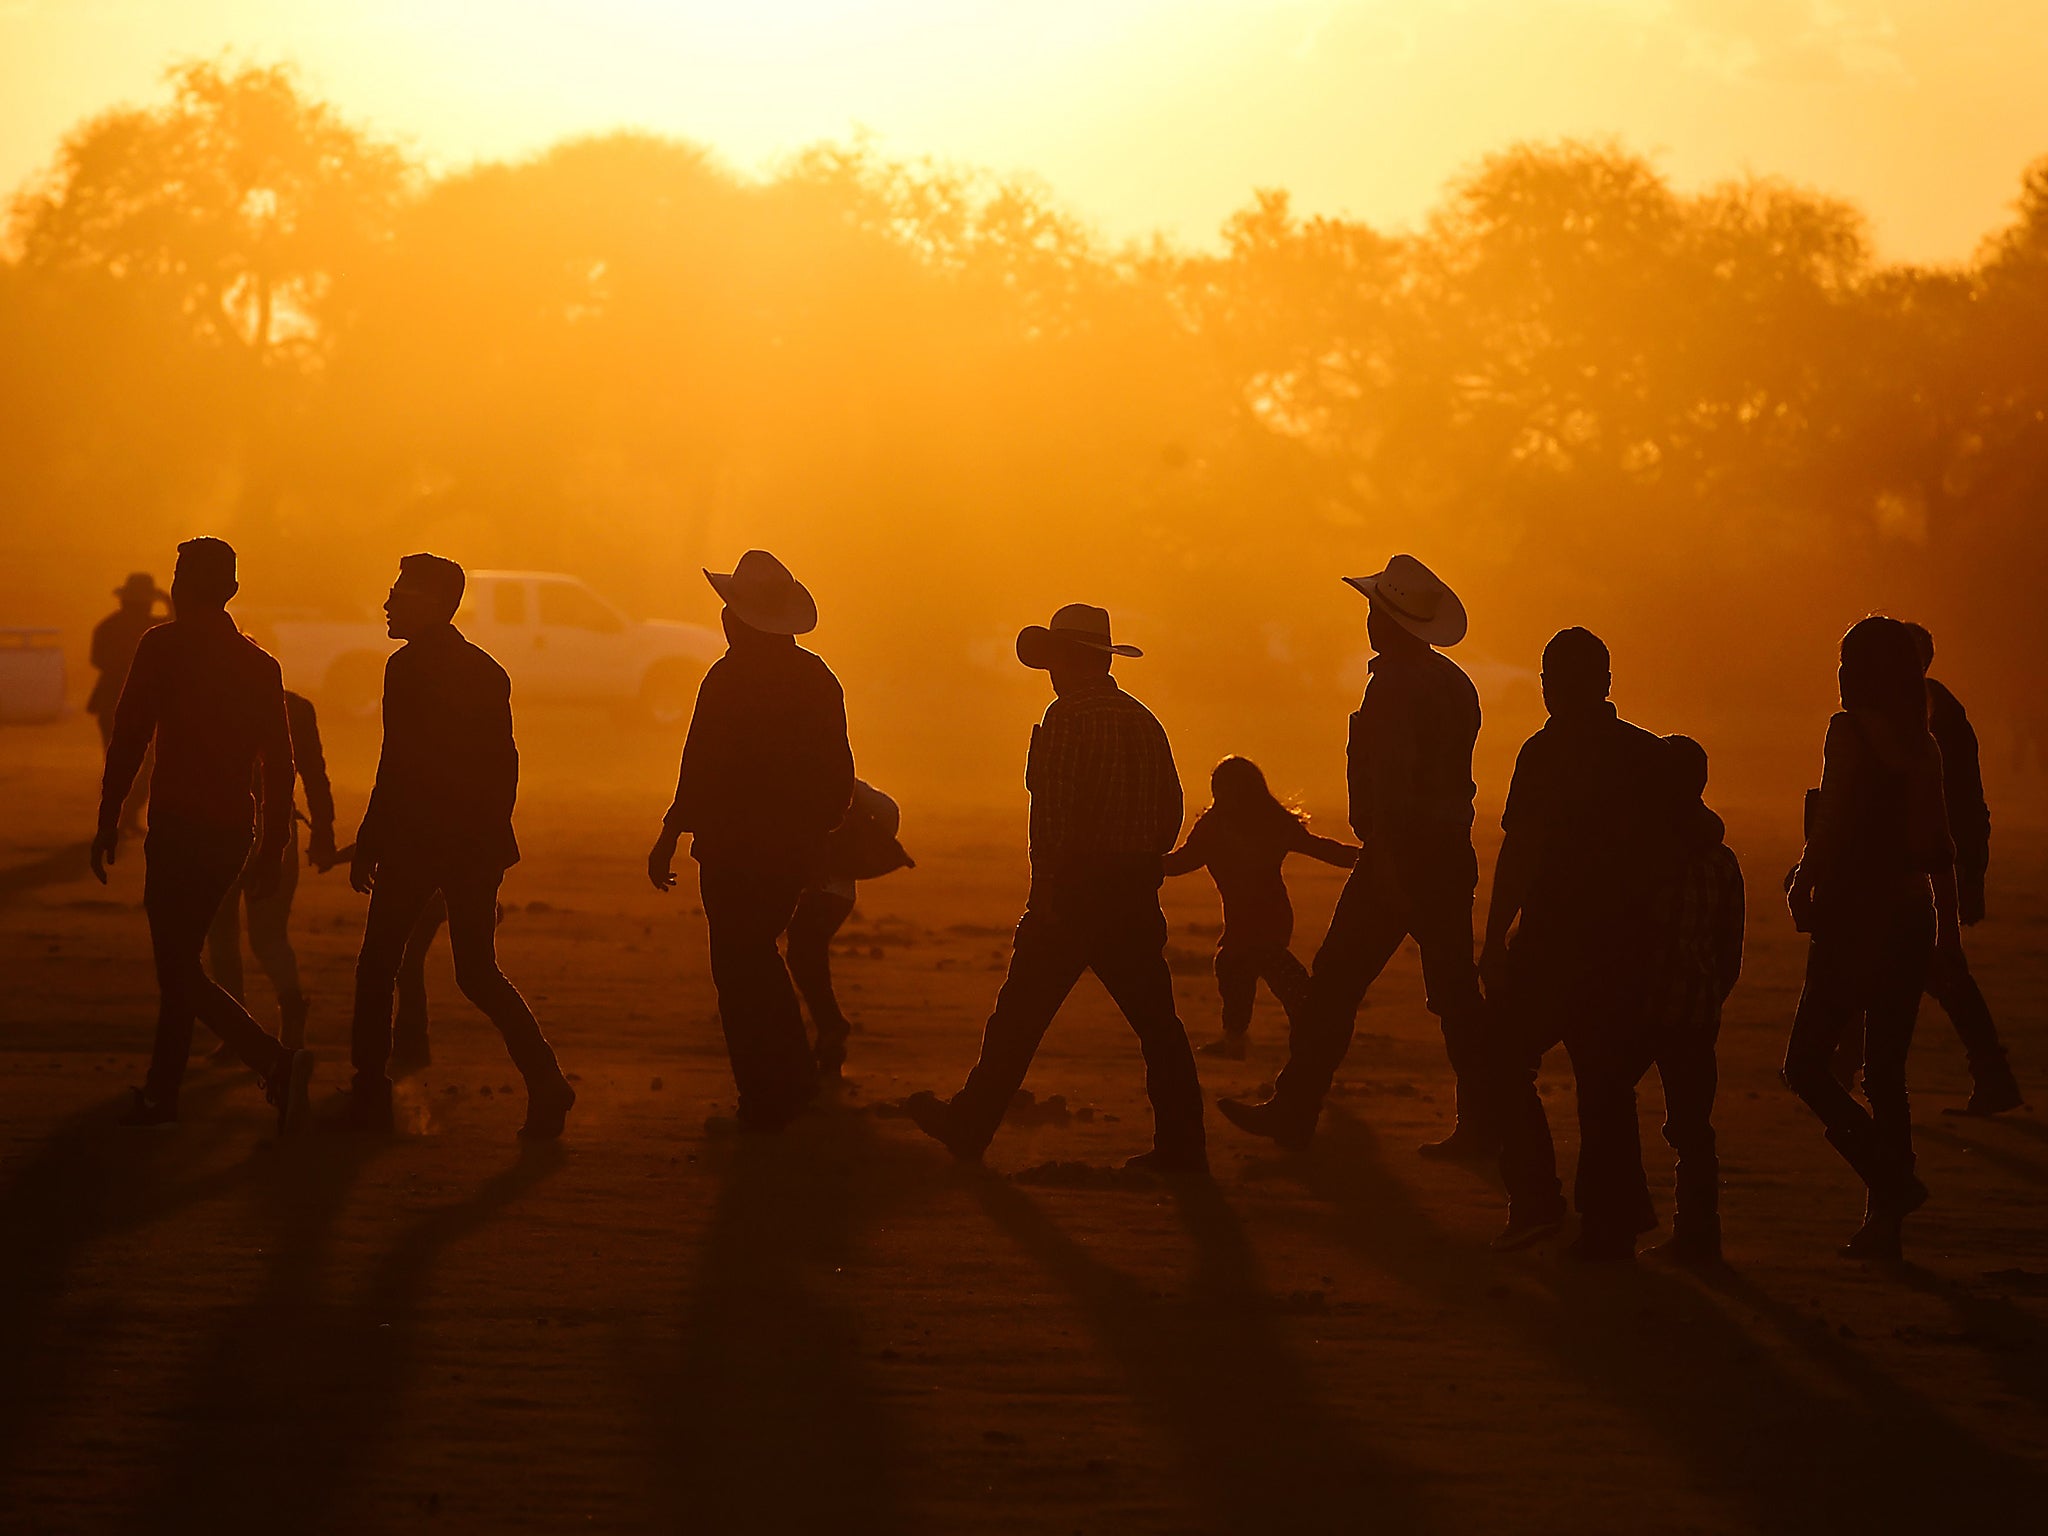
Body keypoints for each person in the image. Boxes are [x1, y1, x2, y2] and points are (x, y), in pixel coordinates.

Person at [903, 604, 1205, 1174]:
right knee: (1158, 1025)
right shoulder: (1144, 720)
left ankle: (971, 1124)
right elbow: (1171, 812)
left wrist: (1045, 895)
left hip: (1075, 888)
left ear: (1065, 659)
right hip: (1135, 889)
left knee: (1018, 1017)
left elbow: (1053, 818)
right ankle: (1184, 1145)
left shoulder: (1067, 718)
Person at [1218, 555, 1493, 1157]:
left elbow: (1393, 786)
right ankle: (1484, 1124)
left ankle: (1294, 1109)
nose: (1368, 621)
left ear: (1391, 621)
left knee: (1335, 984)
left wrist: (1387, 868)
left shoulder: (1392, 684)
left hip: (1399, 855)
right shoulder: (1454, 682)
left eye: (1374, 611)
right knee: (1455, 996)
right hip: (1447, 854)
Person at [333, 554, 575, 1139]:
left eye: (399, 594)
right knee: (476, 971)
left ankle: (369, 1091)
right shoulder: (485, 671)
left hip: (421, 840)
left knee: (378, 965)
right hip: (468, 843)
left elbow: (397, 763)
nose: (388, 605)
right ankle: (546, 1081)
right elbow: (504, 765)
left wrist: (371, 837)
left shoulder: (407, 669)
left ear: (436, 604)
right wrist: (487, 843)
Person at [89, 537, 315, 1131]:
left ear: (179, 587)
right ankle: (165, 1092)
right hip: (230, 831)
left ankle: (272, 1060)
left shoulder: (162, 647)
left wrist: (109, 816)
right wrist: (272, 843)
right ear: (232, 591)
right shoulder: (258, 664)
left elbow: (130, 734)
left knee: (178, 967)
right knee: (181, 961)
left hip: (178, 826)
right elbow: (280, 761)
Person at [647, 550, 855, 1132]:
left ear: (737, 620)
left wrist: (669, 835)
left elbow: (699, 768)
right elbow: (837, 779)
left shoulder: (727, 678)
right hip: (787, 854)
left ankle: (771, 1088)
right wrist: (813, 840)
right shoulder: (817, 680)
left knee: (738, 966)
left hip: (730, 850)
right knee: (755, 956)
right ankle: (784, 1082)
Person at [1485, 628, 1672, 1260]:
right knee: (1606, 1086)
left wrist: (1492, 936)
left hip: (1552, 940)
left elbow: (1521, 850)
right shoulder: (1645, 755)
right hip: (1626, 944)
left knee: (1505, 1061)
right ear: (1608, 683)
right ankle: (1610, 1225)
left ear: (1553, 686)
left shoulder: (1543, 753)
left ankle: (1537, 1201)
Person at [1783, 616, 1960, 1261]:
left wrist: (1804, 876)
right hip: (1909, 918)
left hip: (1855, 917)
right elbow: (1937, 850)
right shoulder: (1923, 747)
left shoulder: (1848, 733)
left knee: (1806, 1065)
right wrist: (1947, 937)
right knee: (1887, 1074)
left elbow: (1830, 821)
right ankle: (1885, 1221)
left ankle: (1889, 1179)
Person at [1162, 756, 1358, 1059]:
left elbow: (1321, 848)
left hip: (1264, 917)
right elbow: (1180, 863)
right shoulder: (1231, 824)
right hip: (1252, 917)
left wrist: (1367, 858)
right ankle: (1250, 1039)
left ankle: (1305, 1032)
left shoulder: (1250, 823)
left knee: (1265, 969)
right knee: (1237, 968)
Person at [1645, 735, 1744, 1267]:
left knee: (1610, 1100)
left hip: (1646, 1004)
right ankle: (1699, 1231)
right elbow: (1732, 951)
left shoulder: (1646, 855)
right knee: (1692, 1125)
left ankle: (1618, 1217)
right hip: (1698, 1007)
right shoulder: (1724, 860)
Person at [205, 689, 339, 1052]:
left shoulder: (208, 699)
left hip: (221, 826)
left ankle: (234, 1034)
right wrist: (324, 833)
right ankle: (291, 1009)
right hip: (277, 825)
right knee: (270, 938)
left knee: (222, 936)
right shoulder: (294, 706)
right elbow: (314, 774)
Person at [790, 778, 914, 1080]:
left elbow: (886, 811)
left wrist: (851, 852)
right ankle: (829, 1039)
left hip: (827, 888)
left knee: (803, 954)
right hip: (829, 890)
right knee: (805, 955)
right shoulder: (826, 774)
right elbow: (887, 811)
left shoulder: (834, 776)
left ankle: (829, 1029)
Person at [88, 572, 169, 833]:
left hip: (112, 701)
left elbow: (96, 660)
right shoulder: (155, 630)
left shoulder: (108, 626)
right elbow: (180, 621)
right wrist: (166, 599)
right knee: (145, 762)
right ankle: (127, 814)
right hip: (141, 702)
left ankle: (120, 815)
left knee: (118, 761)